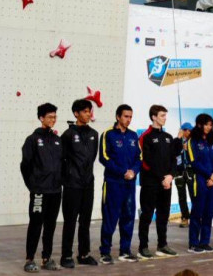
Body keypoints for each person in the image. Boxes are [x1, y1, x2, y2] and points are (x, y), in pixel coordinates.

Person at [20, 103, 63, 272]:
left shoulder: (57, 140)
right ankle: (29, 259)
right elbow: (25, 165)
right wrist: (33, 186)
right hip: (39, 191)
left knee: (50, 225)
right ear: (41, 118)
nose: (53, 120)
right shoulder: (32, 140)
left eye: (55, 117)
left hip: (55, 191)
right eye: (50, 117)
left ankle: (47, 258)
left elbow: (62, 163)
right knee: (36, 224)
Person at [98, 104, 141, 264]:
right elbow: (104, 157)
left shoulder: (133, 135)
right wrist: (123, 172)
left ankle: (125, 251)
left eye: (130, 117)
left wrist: (133, 172)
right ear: (118, 117)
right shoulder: (108, 134)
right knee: (110, 218)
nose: (128, 119)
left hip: (129, 184)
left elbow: (139, 158)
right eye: (125, 116)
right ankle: (105, 252)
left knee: (128, 217)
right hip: (113, 183)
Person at [60, 99, 99, 268]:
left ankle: (83, 254)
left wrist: (86, 176)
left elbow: (92, 158)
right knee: (70, 221)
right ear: (76, 114)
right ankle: (66, 255)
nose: (88, 114)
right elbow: (61, 160)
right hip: (72, 185)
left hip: (88, 184)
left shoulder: (94, 134)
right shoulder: (68, 135)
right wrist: (68, 178)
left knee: (85, 221)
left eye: (89, 111)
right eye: (85, 111)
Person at [137, 104, 178, 258]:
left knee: (163, 215)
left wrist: (170, 176)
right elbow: (146, 162)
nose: (164, 118)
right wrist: (162, 178)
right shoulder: (145, 137)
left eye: (165, 115)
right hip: (150, 183)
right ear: (154, 117)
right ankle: (143, 247)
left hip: (166, 183)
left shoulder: (168, 137)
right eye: (162, 115)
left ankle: (162, 245)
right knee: (147, 215)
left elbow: (174, 159)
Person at [187, 113, 213, 253]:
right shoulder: (192, 141)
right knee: (197, 212)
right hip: (199, 180)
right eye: (206, 124)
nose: (208, 127)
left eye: (211, 125)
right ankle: (193, 243)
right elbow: (194, 162)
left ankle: (204, 242)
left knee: (209, 213)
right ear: (199, 124)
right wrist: (209, 175)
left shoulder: (212, 142)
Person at [174, 122, 194, 227]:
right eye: (188, 130)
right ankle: (185, 217)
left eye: (190, 130)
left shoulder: (193, 142)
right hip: (179, 172)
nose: (190, 132)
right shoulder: (176, 141)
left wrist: (189, 149)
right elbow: (173, 152)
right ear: (183, 131)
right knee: (182, 196)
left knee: (193, 195)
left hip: (190, 171)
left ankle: (194, 218)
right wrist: (179, 140)